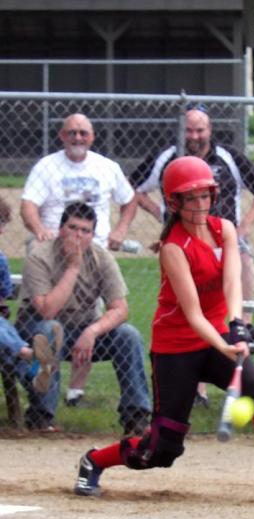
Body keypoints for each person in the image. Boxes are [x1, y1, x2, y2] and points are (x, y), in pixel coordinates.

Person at [74, 157, 254, 507]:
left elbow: (232, 282)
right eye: (191, 198)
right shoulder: (173, 247)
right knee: (162, 449)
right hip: (176, 348)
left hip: (218, 334)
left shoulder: (224, 229)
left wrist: (237, 328)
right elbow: (193, 314)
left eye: (205, 196)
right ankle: (95, 460)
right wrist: (225, 345)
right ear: (175, 203)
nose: (201, 205)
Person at [130, 105, 254, 345]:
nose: (194, 136)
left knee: (245, 263)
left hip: (226, 236)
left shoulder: (227, 156)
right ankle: (198, 336)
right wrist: (160, 213)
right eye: (188, 130)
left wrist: (244, 227)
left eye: (200, 130)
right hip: (185, 239)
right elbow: (131, 187)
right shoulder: (168, 157)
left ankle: (243, 328)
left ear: (210, 130)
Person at [20, 113, 138, 404]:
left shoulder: (106, 167)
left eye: (83, 133)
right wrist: (40, 231)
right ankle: (45, 405)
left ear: (92, 137)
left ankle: (76, 392)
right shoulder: (47, 167)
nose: (77, 138)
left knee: (91, 321)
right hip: (53, 252)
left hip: (95, 253)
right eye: (71, 132)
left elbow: (129, 199)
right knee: (53, 324)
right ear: (61, 136)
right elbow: (27, 205)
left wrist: (120, 230)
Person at [15, 201, 151, 434]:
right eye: (72, 228)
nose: (78, 235)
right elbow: (47, 310)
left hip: (83, 331)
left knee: (128, 335)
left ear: (92, 235)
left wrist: (92, 332)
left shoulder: (102, 258)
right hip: (38, 330)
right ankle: (41, 418)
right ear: (60, 229)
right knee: (51, 328)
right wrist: (73, 267)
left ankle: (136, 417)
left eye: (85, 231)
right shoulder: (40, 256)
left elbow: (120, 309)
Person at [0, 197, 61, 397]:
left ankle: (33, 374)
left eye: (2, 223)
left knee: (3, 330)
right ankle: (28, 355)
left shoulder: (0, 260)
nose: (1, 230)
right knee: (6, 338)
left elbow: (2, 300)